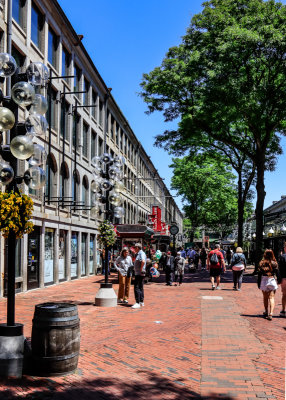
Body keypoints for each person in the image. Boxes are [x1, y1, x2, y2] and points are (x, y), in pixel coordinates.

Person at [257, 249, 280, 321]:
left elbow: (259, 274)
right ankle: (271, 313)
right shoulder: (274, 263)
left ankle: (266, 311)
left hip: (264, 280)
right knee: (272, 297)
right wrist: (279, 280)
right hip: (271, 280)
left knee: (265, 297)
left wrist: (259, 283)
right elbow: (277, 273)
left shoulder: (261, 263)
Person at [131, 243, 147, 309]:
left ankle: (137, 302)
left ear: (138, 247)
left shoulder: (141, 253)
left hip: (139, 273)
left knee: (137, 287)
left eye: (135, 247)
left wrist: (141, 269)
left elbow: (143, 261)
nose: (134, 248)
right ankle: (141, 301)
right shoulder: (139, 253)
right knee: (140, 286)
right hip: (139, 273)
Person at [278, 242, 286, 317]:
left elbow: (279, 269)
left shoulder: (283, 257)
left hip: (284, 278)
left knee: (284, 295)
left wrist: (279, 279)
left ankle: (283, 310)